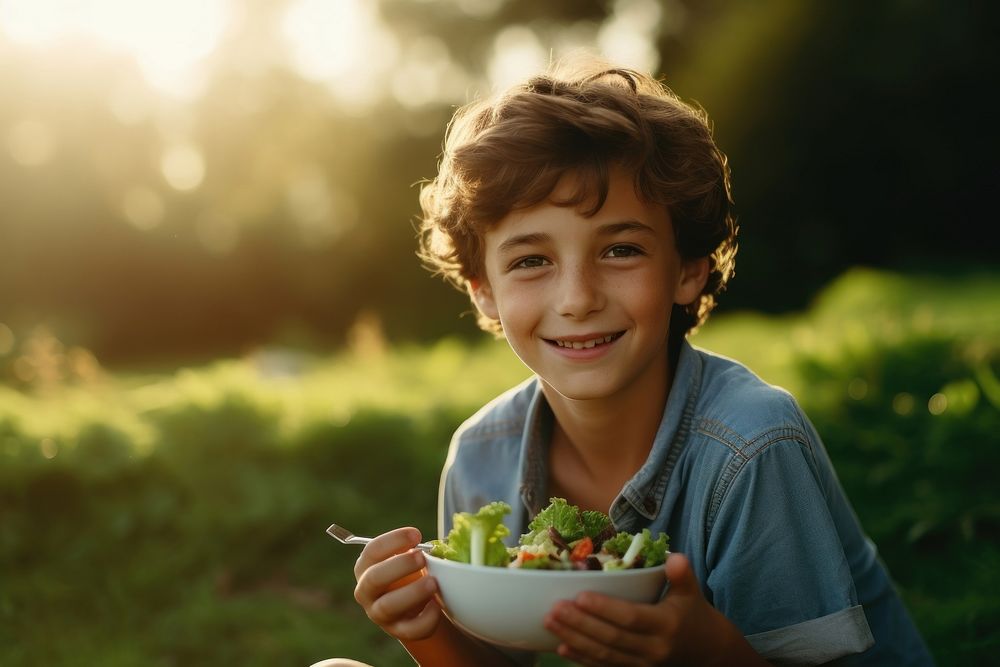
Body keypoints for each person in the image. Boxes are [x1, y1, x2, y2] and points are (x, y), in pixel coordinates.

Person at [347, 58, 933, 666]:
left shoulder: (752, 446)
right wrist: (425, 629)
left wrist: (707, 651)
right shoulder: (481, 455)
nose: (577, 298)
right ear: (483, 289)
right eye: (531, 261)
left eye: (621, 250)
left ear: (687, 269)